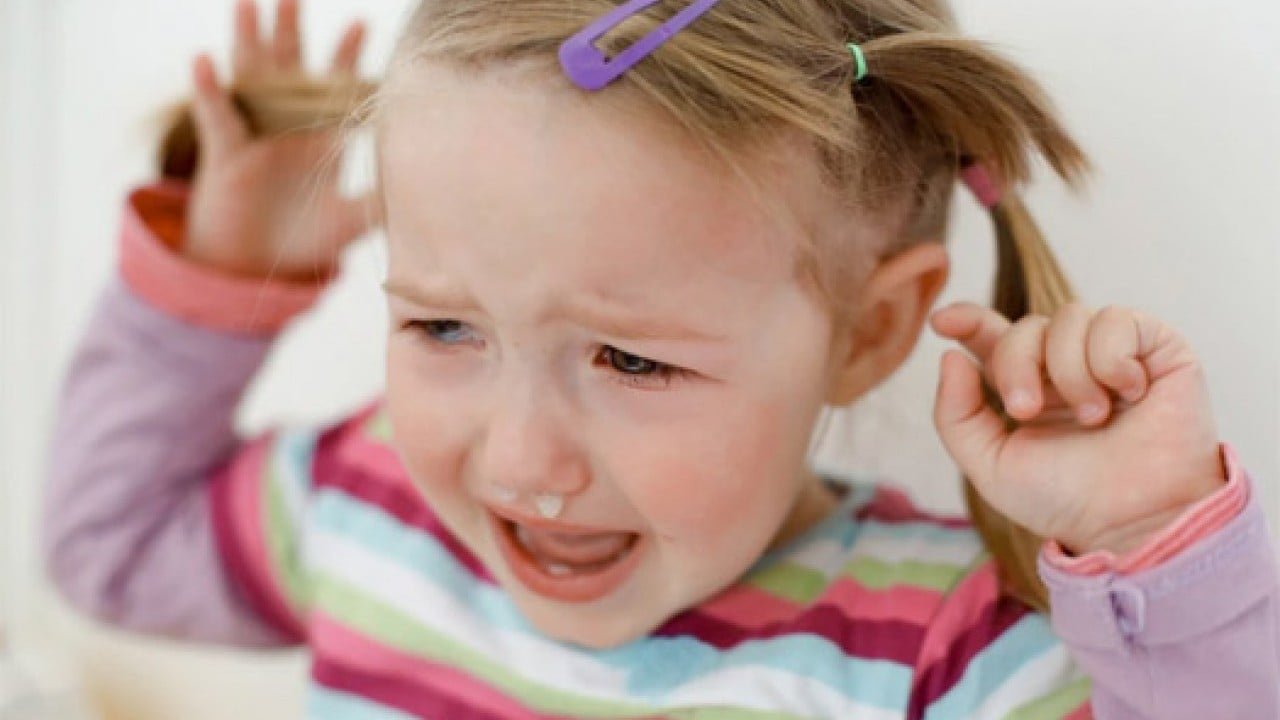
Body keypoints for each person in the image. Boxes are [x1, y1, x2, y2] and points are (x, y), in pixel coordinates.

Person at [43, 0, 1279, 717]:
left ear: (869, 330)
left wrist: (1150, 538)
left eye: (632, 362)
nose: (520, 463)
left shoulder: (943, 657)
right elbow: (108, 551)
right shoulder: (363, 507)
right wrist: (211, 290)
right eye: (442, 328)